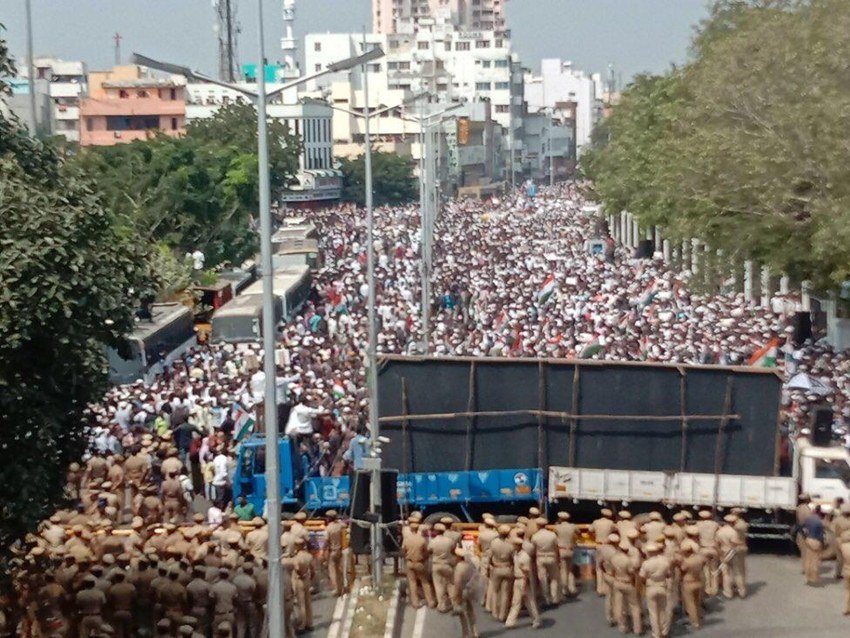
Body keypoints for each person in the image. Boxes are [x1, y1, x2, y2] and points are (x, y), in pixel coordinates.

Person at [639, 542, 672, 638]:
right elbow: (668, 575)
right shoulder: (665, 562)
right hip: (662, 587)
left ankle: (656, 634)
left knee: (653, 613)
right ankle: (664, 632)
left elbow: (642, 577)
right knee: (662, 611)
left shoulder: (646, 563)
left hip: (651, 587)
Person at [452, 547, 479, 638]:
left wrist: (456, 596)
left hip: (462, 591)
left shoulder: (459, 567)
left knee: (462, 614)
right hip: (470, 590)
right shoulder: (470, 565)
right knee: (471, 611)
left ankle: (466, 634)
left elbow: (457, 583)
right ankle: (475, 631)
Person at [802, 507, 826, 585]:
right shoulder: (819, 522)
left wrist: (805, 538)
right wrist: (823, 544)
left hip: (808, 539)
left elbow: (804, 530)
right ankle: (814, 579)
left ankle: (808, 578)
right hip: (816, 541)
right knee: (815, 561)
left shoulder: (808, 520)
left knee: (808, 560)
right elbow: (821, 536)